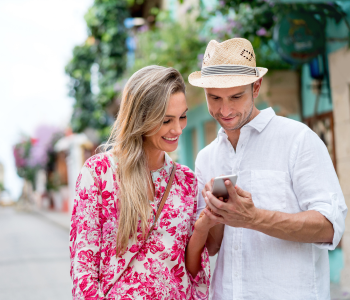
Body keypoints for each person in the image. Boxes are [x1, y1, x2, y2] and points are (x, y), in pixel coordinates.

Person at [189, 38, 348, 300]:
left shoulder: (298, 139)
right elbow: (212, 247)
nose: (224, 109)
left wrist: (254, 217)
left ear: (257, 87)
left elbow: (331, 226)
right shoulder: (206, 158)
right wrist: (213, 216)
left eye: (236, 96)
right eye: (214, 97)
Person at [70, 66, 216, 299]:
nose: (177, 129)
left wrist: (203, 227)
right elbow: (84, 268)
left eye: (183, 116)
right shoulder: (98, 173)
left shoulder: (186, 181)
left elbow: (190, 271)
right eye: (166, 120)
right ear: (141, 118)